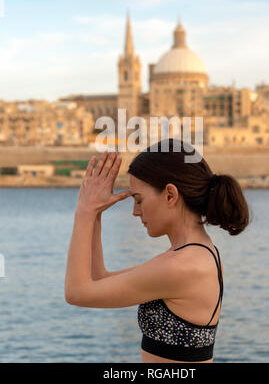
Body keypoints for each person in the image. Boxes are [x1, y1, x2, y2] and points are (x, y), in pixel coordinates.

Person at [65, 138, 250, 363]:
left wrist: (83, 212)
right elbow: (97, 278)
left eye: (139, 200)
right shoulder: (196, 254)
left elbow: (77, 293)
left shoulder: (181, 266)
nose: (135, 212)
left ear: (170, 195)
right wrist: (95, 214)